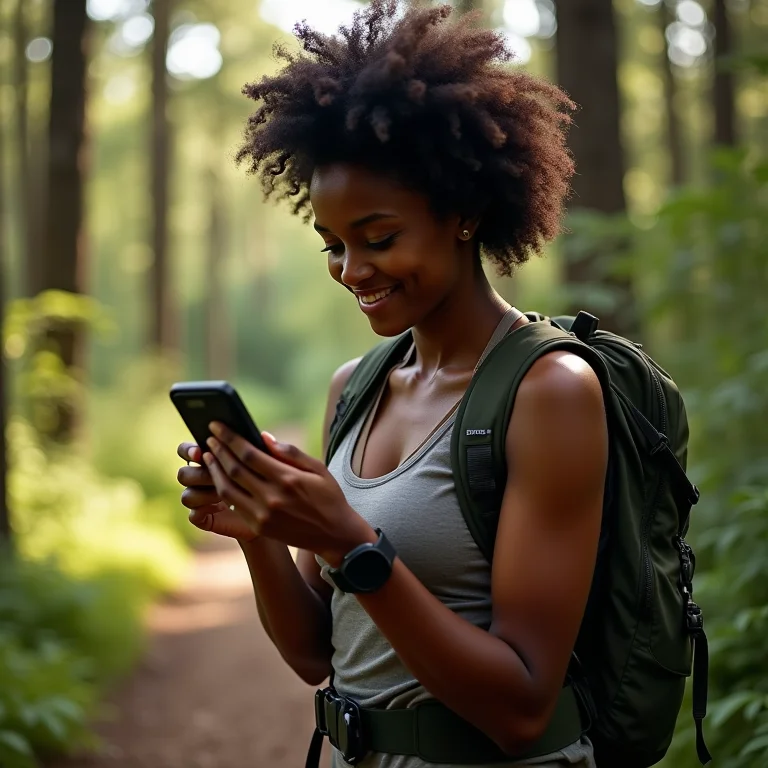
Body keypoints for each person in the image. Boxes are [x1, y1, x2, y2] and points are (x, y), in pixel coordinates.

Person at [176, 2, 608, 766]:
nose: (352, 270)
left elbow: (519, 706)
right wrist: (261, 534)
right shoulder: (356, 387)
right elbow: (319, 655)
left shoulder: (550, 393)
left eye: (378, 238)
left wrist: (350, 542)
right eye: (332, 246)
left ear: (466, 215)